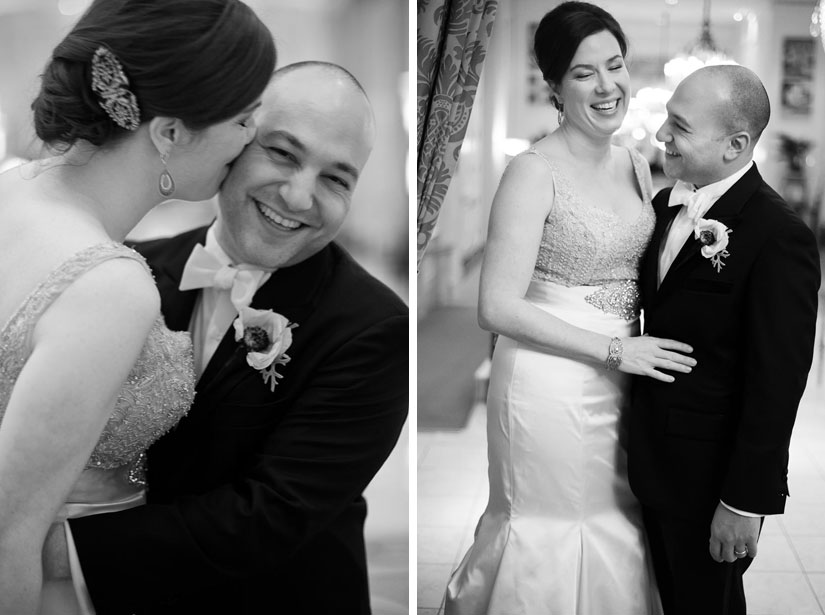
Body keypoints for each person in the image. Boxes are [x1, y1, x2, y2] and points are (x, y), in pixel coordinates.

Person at [41, 61, 409, 615]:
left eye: (336, 178)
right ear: (234, 142)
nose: (300, 196)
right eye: (282, 153)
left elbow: (271, 514)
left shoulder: (375, 328)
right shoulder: (132, 269)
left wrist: (57, 551)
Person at [0, 1, 275, 613]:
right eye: (244, 118)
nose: (252, 137)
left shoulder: (11, 190)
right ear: (171, 133)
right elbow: (5, 535)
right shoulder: (108, 286)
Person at [444, 3, 695, 614]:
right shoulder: (532, 172)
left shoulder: (635, 163)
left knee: (615, 517)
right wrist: (614, 349)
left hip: (624, 376)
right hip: (547, 379)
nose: (608, 86)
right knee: (553, 523)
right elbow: (496, 306)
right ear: (554, 86)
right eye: (585, 74)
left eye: (615, 65)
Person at [628, 64, 821, 615]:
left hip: (711, 480)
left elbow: (778, 383)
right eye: (666, 119)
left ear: (736, 144)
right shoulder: (666, 206)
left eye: (680, 126)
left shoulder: (779, 236)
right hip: (647, 458)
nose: (661, 135)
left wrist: (742, 501)